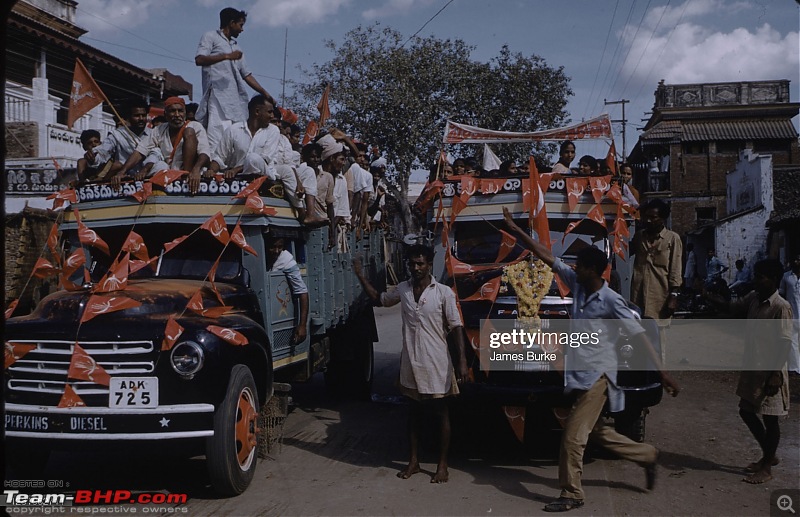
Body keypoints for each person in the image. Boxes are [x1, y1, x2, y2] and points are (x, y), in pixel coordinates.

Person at [502, 207, 679, 512]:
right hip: (579, 374)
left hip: (597, 378)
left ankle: (572, 494)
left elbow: (639, 336)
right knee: (596, 432)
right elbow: (547, 256)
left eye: (580, 265)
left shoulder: (611, 301)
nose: (574, 268)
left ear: (595, 271)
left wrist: (662, 374)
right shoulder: (578, 283)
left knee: (572, 438)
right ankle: (646, 454)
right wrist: (517, 231)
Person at [352, 244, 468, 484]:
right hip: (411, 362)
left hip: (437, 361)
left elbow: (456, 327)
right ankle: (413, 462)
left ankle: (442, 465)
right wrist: (360, 275)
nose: (416, 268)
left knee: (440, 413)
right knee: (413, 414)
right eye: (412, 264)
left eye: (420, 264)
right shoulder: (403, 289)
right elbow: (379, 299)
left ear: (429, 264)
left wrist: (462, 363)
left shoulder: (444, 292)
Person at [710, 259, 792, 484]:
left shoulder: (780, 306)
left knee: (770, 418)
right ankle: (769, 454)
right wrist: (708, 296)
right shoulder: (754, 299)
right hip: (753, 366)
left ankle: (766, 467)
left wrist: (775, 373)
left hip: (770, 370)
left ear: (773, 279)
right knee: (746, 411)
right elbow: (731, 309)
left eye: (761, 276)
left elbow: (785, 342)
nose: (756, 280)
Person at [203, 95, 324, 225]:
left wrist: (235, 170)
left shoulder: (273, 131)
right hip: (242, 176)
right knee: (253, 158)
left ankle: (304, 213)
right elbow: (219, 157)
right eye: (269, 112)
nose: (272, 116)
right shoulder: (234, 130)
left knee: (303, 171)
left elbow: (265, 159)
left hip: (266, 171)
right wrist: (211, 170)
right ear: (257, 112)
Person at [195, 7, 275, 151]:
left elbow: (246, 74)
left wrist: (264, 92)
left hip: (235, 99)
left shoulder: (236, 47)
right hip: (217, 95)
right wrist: (226, 56)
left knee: (236, 134)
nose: (241, 29)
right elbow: (199, 59)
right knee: (217, 132)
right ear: (231, 23)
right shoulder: (210, 37)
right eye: (240, 25)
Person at [112, 97, 210, 189]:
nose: (177, 115)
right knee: (159, 166)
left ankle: (186, 173)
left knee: (189, 131)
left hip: (192, 175)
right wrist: (122, 172)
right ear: (165, 114)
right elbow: (140, 151)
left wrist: (196, 170)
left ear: (184, 113)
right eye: (172, 111)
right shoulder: (159, 130)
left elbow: (204, 154)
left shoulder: (195, 126)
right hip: (169, 176)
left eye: (180, 111)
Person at [630, 199, 682, 364]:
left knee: (659, 340)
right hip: (637, 297)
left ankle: (659, 375)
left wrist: (673, 297)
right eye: (646, 217)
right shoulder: (639, 237)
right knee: (637, 337)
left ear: (663, 218)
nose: (648, 220)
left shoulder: (672, 239)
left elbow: (675, 269)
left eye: (653, 217)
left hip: (660, 298)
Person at [88, 99, 152, 182]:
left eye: (143, 115)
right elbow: (103, 151)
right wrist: (93, 158)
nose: (141, 119)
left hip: (149, 178)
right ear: (128, 117)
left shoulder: (153, 134)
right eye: (137, 116)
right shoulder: (117, 134)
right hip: (124, 180)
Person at [266, 235, 309, 345]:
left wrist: (302, 325)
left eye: (280, 247)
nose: (276, 251)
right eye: (273, 247)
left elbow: (302, 291)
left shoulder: (286, 259)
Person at [779, 254, 800, 374]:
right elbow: (781, 293)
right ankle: (795, 367)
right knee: (793, 342)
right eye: (795, 259)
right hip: (792, 314)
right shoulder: (786, 276)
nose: (796, 262)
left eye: (798, 260)